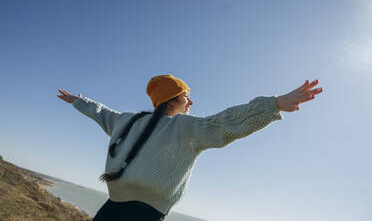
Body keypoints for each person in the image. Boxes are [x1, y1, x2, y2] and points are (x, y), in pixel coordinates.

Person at [57, 74, 323, 221]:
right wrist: (274, 104)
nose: (191, 102)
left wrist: (78, 102)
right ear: (174, 99)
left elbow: (98, 111)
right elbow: (226, 123)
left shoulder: (126, 120)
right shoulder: (185, 128)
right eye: (187, 96)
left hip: (110, 210)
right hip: (146, 218)